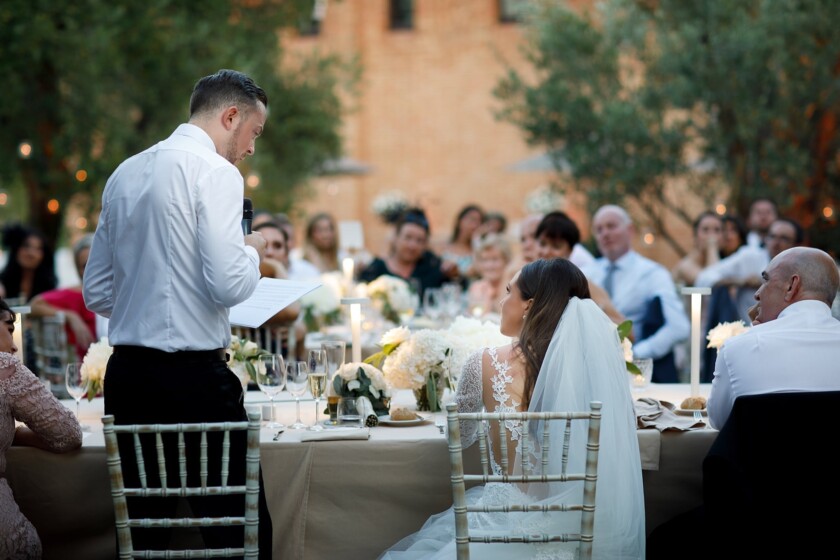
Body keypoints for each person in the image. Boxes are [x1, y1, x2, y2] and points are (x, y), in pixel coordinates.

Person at [82, 69, 272, 557]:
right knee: (239, 532)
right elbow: (230, 285)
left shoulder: (124, 172)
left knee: (143, 533)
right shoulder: (217, 172)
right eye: (253, 132)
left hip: (128, 380)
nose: (251, 148)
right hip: (196, 383)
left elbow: (97, 292)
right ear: (230, 117)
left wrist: (147, 301)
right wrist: (252, 251)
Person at [380, 259, 645, 559]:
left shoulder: (483, 362)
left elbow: (459, 437)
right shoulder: (595, 369)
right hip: (583, 534)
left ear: (528, 306)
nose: (502, 302)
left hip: (503, 528)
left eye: (509, 292)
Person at [707, 247, 840, 429]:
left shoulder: (737, 348)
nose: (757, 294)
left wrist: (753, 335)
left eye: (765, 280)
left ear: (791, 286)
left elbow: (719, 421)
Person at [0, 298, 83, 558]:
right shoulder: (5, 368)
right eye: (9, 328)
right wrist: (17, 434)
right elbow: (68, 434)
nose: (14, 346)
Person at [581, 205, 689, 381]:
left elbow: (679, 327)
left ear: (630, 230)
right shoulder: (585, 274)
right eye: (599, 229)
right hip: (590, 371)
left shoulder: (652, 273)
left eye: (611, 226)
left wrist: (636, 354)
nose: (605, 233)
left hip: (635, 375)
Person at [535, 211, 627, 327]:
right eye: (542, 244)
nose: (546, 252)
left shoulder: (583, 285)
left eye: (556, 246)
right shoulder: (525, 281)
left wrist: (589, 315)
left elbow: (626, 329)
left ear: (570, 251)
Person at [29, 234, 97, 360]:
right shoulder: (75, 294)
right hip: (87, 368)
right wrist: (70, 315)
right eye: (84, 266)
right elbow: (33, 306)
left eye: (95, 263)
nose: (91, 269)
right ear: (78, 270)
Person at [360, 209, 448, 299]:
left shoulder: (430, 269)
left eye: (419, 240)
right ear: (396, 237)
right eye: (408, 237)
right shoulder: (376, 269)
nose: (412, 245)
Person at [0, 224, 57, 303]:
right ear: (16, 250)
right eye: (26, 246)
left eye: (38, 249)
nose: (31, 253)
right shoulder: (2, 283)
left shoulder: (49, 288)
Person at [671, 211, 722, 286]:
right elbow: (711, 283)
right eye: (705, 230)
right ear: (695, 236)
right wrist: (711, 247)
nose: (711, 235)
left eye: (716, 230)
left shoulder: (718, 261)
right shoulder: (685, 266)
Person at [466, 233, 511, 317]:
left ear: (506, 261)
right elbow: (475, 317)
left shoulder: (514, 287)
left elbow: (506, 316)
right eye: (484, 260)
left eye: (495, 259)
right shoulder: (477, 286)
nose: (489, 266)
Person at [439, 204, 485, 282]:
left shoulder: (478, 252)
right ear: (459, 221)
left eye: (479, 222)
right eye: (472, 220)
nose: (475, 225)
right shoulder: (442, 247)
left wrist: (476, 241)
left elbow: (478, 271)